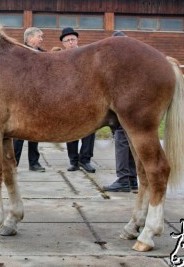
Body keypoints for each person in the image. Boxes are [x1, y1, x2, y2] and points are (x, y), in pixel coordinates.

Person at [102, 31, 138, 192]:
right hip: (133, 109)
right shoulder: (132, 63)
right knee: (131, 142)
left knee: (122, 139)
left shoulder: (122, 64)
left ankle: (124, 178)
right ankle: (132, 179)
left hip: (126, 110)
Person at [59, 27, 96, 173]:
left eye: (72, 39)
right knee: (70, 130)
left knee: (89, 130)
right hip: (67, 100)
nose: (70, 42)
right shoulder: (60, 57)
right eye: (67, 40)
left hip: (86, 98)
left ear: (77, 40)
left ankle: (85, 160)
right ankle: (73, 161)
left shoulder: (86, 55)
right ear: (63, 43)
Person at [13, 27, 45, 172]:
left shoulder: (44, 55)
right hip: (21, 98)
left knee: (35, 131)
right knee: (18, 133)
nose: (41, 39)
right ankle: (14, 163)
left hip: (38, 98)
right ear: (29, 38)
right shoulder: (18, 53)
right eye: (39, 36)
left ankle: (34, 162)